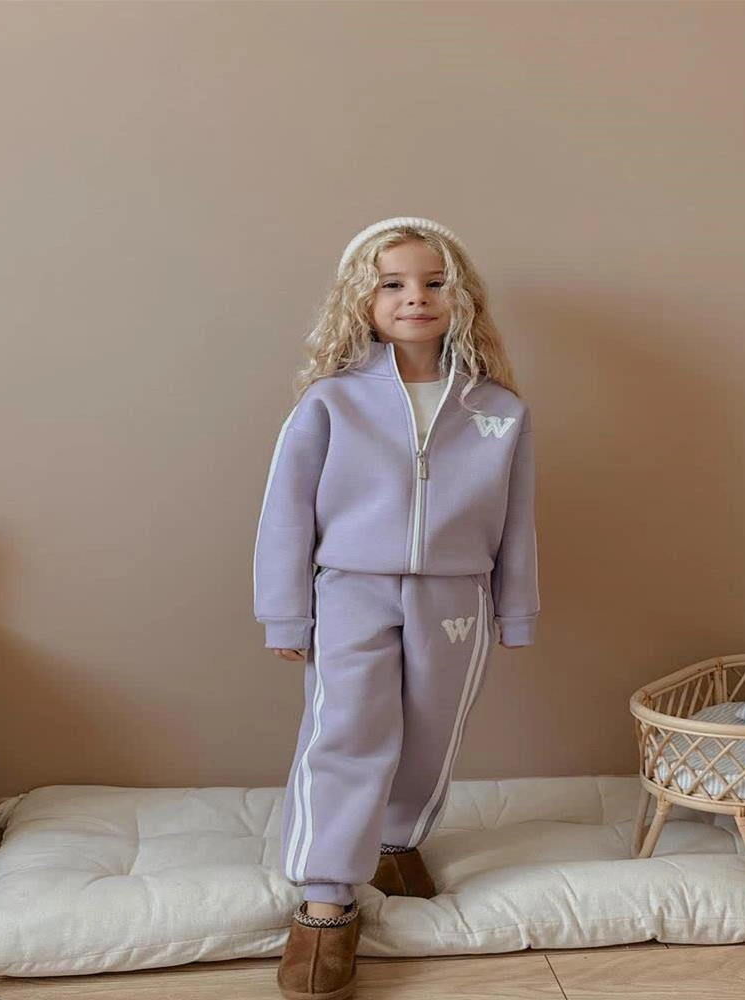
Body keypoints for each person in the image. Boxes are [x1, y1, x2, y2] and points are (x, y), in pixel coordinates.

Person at [253, 216, 540, 999]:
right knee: (346, 730)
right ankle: (324, 900)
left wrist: (515, 610)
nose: (415, 296)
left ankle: (394, 841)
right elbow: (285, 512)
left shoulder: (497, 409)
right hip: (349, 588)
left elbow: (517, 517)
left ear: (461, 297)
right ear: (363, 300)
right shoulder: (331, 402)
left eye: (433, 282)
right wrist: (286, 613)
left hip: (457, 595)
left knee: (430, 731)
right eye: (392, 283)